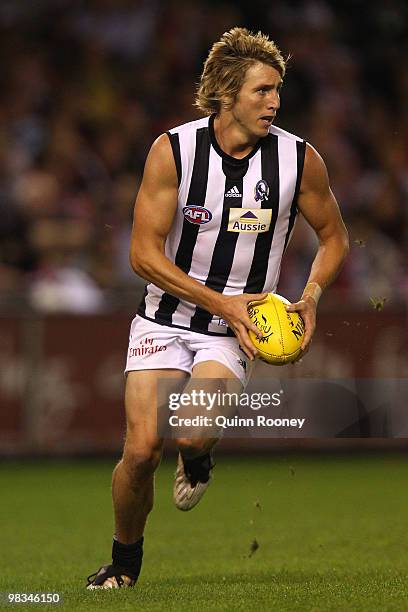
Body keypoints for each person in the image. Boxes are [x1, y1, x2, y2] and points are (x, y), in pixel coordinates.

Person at [86, 27, 349, 589]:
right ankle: (123, 565)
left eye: (278, 90)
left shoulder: (299, 160)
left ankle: (200, 456)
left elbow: (333, 237)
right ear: (227, 93)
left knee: (191, 434)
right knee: (139, 451)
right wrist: (220, 303)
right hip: (163, 318)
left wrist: (312, 297)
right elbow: (141, 255)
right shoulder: (173, 150)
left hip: (235, 331)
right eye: (262, 91)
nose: (275, 102)